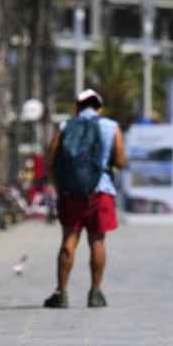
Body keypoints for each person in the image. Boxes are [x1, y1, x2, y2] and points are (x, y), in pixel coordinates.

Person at [43, 89, 126, 309]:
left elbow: (50, 159)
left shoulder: (64, 127)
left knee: (69, 239)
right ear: (99, 107)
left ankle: (61, 293)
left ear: (77, 107)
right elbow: (120, 160)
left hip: (71, 192)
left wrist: (60, 185)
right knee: (97, 240)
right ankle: (95, 293)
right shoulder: (111, 127)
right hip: (101, 191)